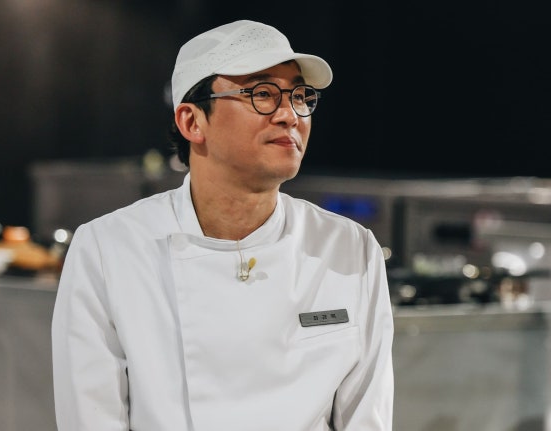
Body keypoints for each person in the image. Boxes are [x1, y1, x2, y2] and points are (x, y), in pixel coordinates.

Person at [51, 19, 394, 430]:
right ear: (192, 122)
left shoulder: (350, 250)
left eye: (301, 96)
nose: (290, 115)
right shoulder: (108, 250)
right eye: (263, 94)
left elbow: (366, 419)